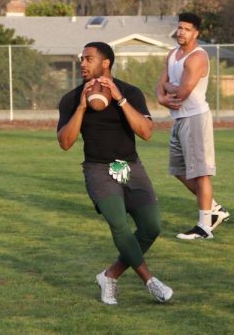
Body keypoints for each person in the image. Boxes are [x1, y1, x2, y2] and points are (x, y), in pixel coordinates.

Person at [58, 42, 173, 305]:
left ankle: (109, 276)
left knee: (151, 227)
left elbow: (145, 132)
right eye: (81, 59)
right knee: (119, 224)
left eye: (88, 59)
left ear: (106, 62)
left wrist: (119, 99)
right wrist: (81, 108)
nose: (82, 64)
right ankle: (150, 281)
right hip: (98, 169)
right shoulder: (71, 98)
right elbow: (65, 143)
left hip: (129, 167)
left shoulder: (130, 92)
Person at [156, 12, 228, 240]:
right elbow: (160, 87)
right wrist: (161, 97)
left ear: (196, 33)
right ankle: (214, 209)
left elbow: (184, 91)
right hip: (178, 119)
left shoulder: (197, 57)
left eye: (186, 29)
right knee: (178, 170)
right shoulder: (172, 54)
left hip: (195, 118)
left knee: (201, 173)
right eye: (179, 28)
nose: (180, 32)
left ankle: (204, 227)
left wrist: (168, 87)